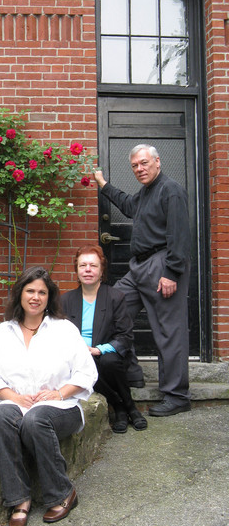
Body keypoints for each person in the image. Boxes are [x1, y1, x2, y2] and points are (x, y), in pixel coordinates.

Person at [0, 266, 97, 526]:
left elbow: (86, 372)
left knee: (36, 420)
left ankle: (62, 493)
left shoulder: (64, 330)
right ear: (20, 294)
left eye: (42, 292)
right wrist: (16, 398)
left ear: (49, 297)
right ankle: (19, 500)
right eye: (30, 290)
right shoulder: (2, 333)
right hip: (17, 403)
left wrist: (58, 393)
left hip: (61, 407)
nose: (36, 297)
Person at [94, 144, 191, 417]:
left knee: (168, 331)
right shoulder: (147, 193)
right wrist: (104, 185)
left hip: (163, 264)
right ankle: (132, 372)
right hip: (139, 268)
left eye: (144, 163)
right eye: (135, 165)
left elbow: (179, 234)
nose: (140, 169)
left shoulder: (170, 190)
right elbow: (128, 205)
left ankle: (176, 395)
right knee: (113, 307)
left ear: (158, 162)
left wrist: (171, 272)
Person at [61, 245, 147, 434]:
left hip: (107, 354)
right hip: (78, 356)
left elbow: (125, 336)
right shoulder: (66, 300)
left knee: (107, 361)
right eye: (83, 265)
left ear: (102, 271)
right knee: (84, 364)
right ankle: (122, 407)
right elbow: (60, 335)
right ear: (76, 270)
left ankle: (128, 407)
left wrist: (98, 349)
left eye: (93, 265)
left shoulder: (115, 297)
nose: (88, 270)